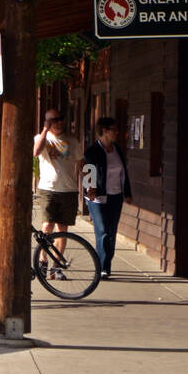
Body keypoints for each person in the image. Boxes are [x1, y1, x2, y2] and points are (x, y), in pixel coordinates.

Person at [83, 116, 133, 279]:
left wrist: (127, 193)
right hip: (98, 198)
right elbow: (88, 169)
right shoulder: (93, 151)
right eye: (114, 129)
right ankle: (102, 267)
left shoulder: (117, 149)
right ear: (104, 131)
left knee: (111, 232)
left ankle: (106, 265)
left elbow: (123, 172)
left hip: (116, 196)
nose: (117, 133)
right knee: (103, 231)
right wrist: (89, 189)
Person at [33, 109, 79, 276]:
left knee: (63, 229)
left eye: (62, 119)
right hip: (48, 189)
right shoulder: (41, 138)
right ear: (48, 122)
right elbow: (36, 152)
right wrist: (45, 130)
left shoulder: (72, 140)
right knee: (47, 226)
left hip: (69, 189)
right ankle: (43, 258)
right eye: (55, 120)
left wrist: (89, 184)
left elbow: (81, 162)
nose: (60, 122)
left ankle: (56, 264)